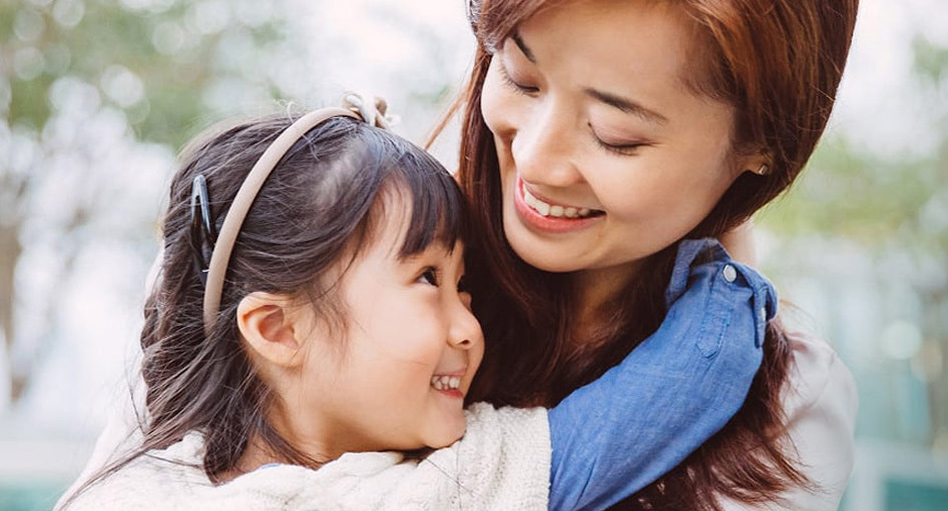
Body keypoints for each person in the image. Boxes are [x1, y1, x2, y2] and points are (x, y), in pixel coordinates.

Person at [58, 99, 775, 511]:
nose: (470, 325)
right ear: (277, 326)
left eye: (465, 287)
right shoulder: (442, 490)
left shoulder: (132, 468)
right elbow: (699, 368)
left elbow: (183, 283)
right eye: (428, 279)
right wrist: (716, 257)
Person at [448, 0, 860, 510]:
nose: (534, 158)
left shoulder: (786, 407)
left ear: (761, 142)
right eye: (521, 79)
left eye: (614, 135)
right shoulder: (365, 269)